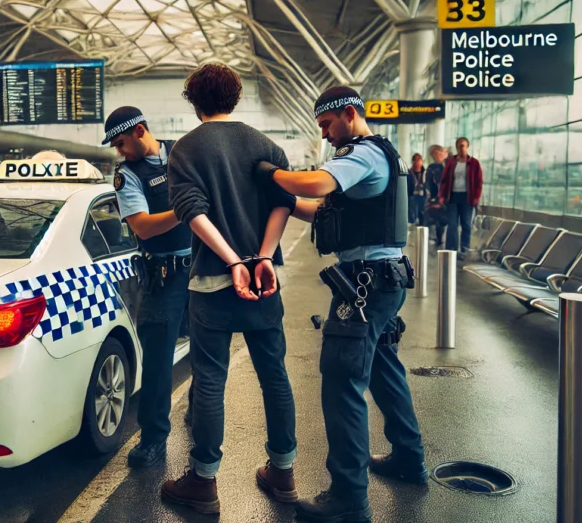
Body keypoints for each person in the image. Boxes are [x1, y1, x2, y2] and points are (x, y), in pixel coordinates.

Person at [256, 86, 425, 523]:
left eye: (328, 124)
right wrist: (290, 203)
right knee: (384, 368)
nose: (326, 134)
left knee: (341, 382)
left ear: (349, 114)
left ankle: (349, 497)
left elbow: (317, 182)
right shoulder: (380, 154)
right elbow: (329, 210)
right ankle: (409, 458)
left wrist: (269, 174)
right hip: (382, 280)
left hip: (366, 285)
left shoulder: (363, 153)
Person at [161, 63, 299, 515]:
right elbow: (284, 203)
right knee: (274, 376)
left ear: (194, 100)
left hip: (211, 284)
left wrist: (232, 261)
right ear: (235, 97)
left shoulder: (185, 148)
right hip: (264, 282)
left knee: (211, 381)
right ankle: (283, 472)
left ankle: (203, 483)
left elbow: (191, 212)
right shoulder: (267, 146)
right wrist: (260, 257)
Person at [103, 106, 193, 469]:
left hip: (201, 270)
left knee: (207, 352)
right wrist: (185, 211)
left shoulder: (183, 154)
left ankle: (199, 414)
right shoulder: (128, 175)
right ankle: (154, 438)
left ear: (140, 131)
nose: (119, 151)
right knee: (157, 362)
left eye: (122, 143)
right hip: (163, 276)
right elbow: (142, 227)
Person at [439, 137, 483, 257]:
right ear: (457, 148)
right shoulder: (452, 162)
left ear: (467, 147)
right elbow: (444, 180)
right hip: (453, 196)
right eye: (459, 146)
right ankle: (450, 251)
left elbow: (479, 182)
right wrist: (442, 195)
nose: (461, 148)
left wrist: (476, 197)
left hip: (467, 198)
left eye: (463, 145)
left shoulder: (474, 163)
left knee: (466, 224)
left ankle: (464, 250)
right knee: (452, 224)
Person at [425, 145, 448, 246]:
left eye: (439, 153)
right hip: (438, 198)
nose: (437, 156)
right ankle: (438, 239)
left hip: (449, 198)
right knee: (437, 218)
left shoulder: (450, 165)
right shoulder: (432, 168)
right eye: (434, 154)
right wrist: (432, 198)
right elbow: (429, 184)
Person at [407, 153, 427, 225]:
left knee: (423, 215)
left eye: (419, 159)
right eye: (416, 160)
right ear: (413, 161)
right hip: (412, 196)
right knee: (412, 216)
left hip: (423, 197)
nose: (418, 162)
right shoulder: (409, 173)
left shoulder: (425, 172)